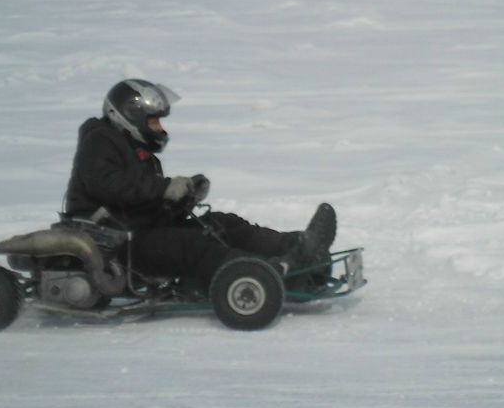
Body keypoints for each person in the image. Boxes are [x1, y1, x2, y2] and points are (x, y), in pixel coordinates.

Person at [63, 79, 335, 294]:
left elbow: (139, 201)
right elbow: (110, 186)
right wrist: (164, 189)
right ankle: (265, 274)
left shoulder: (136, 151)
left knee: (221, 224)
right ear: (129, 118)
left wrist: (183, 198)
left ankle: (300, 248)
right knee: (193, 245)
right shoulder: (99, 142)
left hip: (139, 232)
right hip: (117, 244)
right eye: (153, 121)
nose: (158, 128)